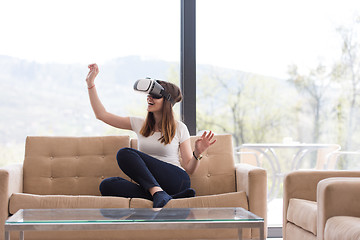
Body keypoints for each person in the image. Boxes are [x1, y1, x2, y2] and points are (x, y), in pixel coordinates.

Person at [86, 63, 216, 208]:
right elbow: (101, 114)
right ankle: (164, 195)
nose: (149, 98)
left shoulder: (179, 128)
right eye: (148, 95)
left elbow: (189, 168)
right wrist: (90, 83)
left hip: (176, 179)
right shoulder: (139, 123)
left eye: (154, 96)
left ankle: (159, 193)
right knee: (107, 185)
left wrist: (197, 153)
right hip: (153, 185)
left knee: (125, 153)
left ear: (167, 101)